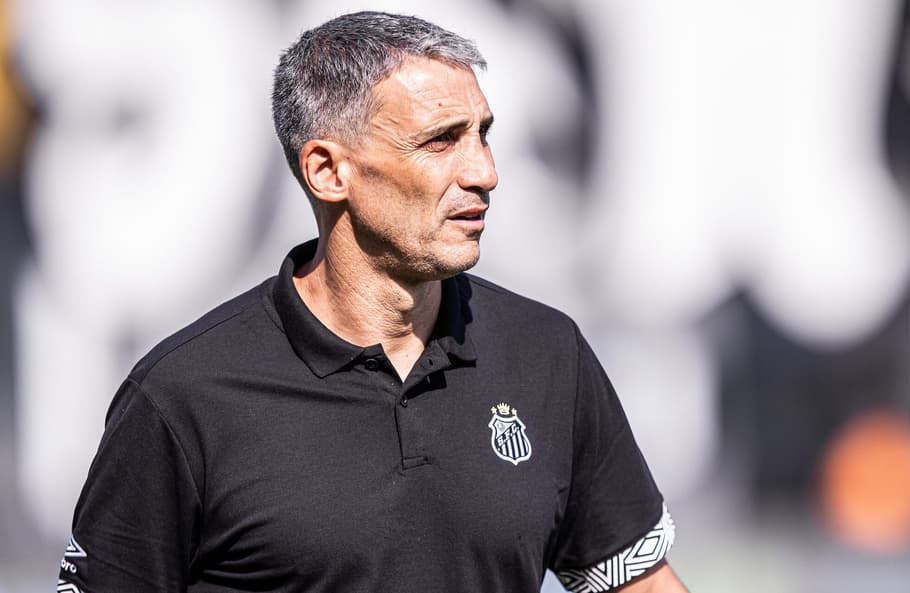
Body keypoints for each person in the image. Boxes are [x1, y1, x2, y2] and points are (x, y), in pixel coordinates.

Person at [58, 11, 687, 593]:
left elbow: (639, 584)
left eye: (483, 134)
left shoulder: (547, 355)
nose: (485, 172)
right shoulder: (184, 395)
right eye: (442, 141)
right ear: (329, 172)